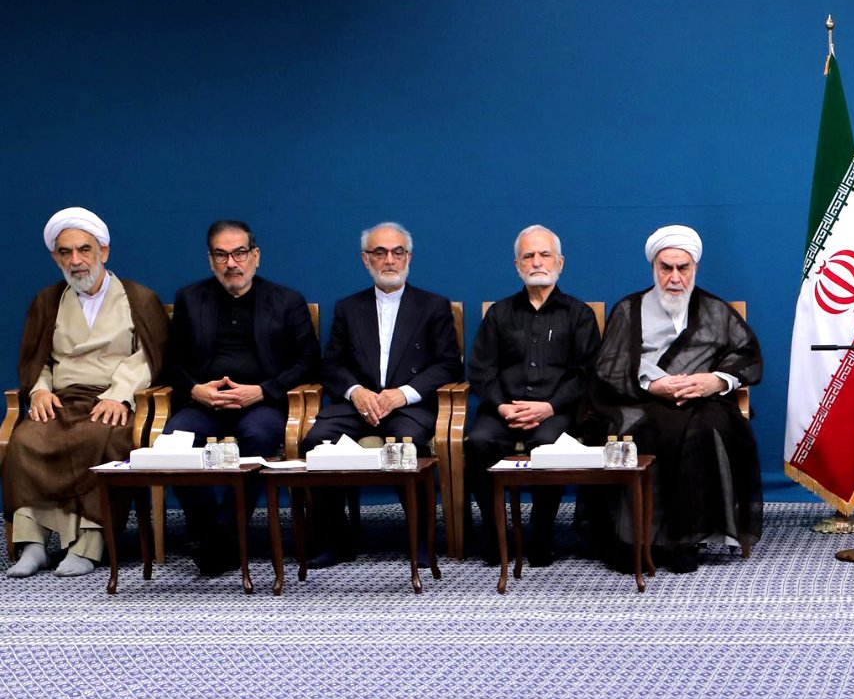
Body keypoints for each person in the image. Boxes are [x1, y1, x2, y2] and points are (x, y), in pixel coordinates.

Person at [584, 224, 761, 574]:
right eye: (667, 268)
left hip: (701, 401)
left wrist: (714, 380)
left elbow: (747, 356)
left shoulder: (715, 310)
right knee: (647, 430)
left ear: (695, 268)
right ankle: (638, 538)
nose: (675, 277)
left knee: (705, 428)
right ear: (654, 268)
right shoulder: (629, 309)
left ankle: (687, 538)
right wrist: (654, 385)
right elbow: (609, 365)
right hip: (639, 398)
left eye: (683, 268)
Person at [5, 208, 167, 577]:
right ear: (55, 257)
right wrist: (40, 391)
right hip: (61, 400)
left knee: (100, 438)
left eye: (84, 250)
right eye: (66, 253)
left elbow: (150, 357)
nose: (76, 261)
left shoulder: (138, 298)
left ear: (103, 252)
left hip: (112, 401)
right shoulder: (47, 301)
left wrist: (120, 394)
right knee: (27, 439)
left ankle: (87, 544)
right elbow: (37, 359)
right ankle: (33, 544)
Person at [161, 219, 320, 575]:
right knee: (172, 443)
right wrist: (196, 390)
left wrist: (263, 390)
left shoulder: (286, 300)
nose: (232, 263)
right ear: (211, 260)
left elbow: (308, 361)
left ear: (255, 256)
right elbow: (172, 361)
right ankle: (210, 530)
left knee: (259, 436)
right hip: (206, 403)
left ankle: (226, 531)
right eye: (222, 255)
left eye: (239, 253)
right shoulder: (190, 298)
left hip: (260, 403)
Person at [303, 222, 463, 566]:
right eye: (379, 252)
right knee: (316, 441)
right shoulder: (348, 308)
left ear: (409, 257)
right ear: (365, 260)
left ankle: (421, 540)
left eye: (397, 252)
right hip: (357, 407)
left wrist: (402, 394)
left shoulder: (433, 306)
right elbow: (331, 365)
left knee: (409, 445)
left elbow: (448, 365)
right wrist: (356, 392)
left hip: (408, 408)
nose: (389, 260)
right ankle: (335, 540)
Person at [465, 225, 601, 566]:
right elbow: (481, 370)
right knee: (478, 442)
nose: (537, 262)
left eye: (544, 255)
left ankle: (541, 536)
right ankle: (497, 536)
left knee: (548, 446)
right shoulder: (499, 314)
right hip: (503, 410)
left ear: (560, 262)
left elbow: (587, 373)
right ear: (517, 265)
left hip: (555, 411)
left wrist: (548, 406)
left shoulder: (579, 315)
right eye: (529, 256)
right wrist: (501, 406)